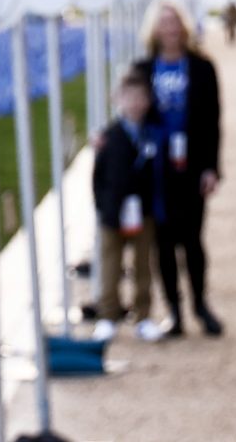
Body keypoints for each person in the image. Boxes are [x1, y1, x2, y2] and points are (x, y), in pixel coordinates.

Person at [134, 0, 224, 338]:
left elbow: (214, 120)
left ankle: (200, 303)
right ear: (155, 29)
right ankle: (174, 308)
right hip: (157, 169)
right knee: (163, 241)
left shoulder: (202, 67)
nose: (170, 29)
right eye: (164, 22)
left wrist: (212, 167)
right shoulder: (144, 69)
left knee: (193, 239)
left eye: (174, 22)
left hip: (192, 162)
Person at [91, 70, 165, 341]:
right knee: (111, 265)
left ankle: (142, 315)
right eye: (128, 98)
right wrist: (102, 208)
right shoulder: (109, 136)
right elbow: (98, 177)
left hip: (142, 211)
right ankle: (108, 315)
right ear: (117, 100)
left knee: (143, 264)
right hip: (113, 213)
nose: (134, 103)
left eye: (139, 98)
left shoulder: (152, 133)